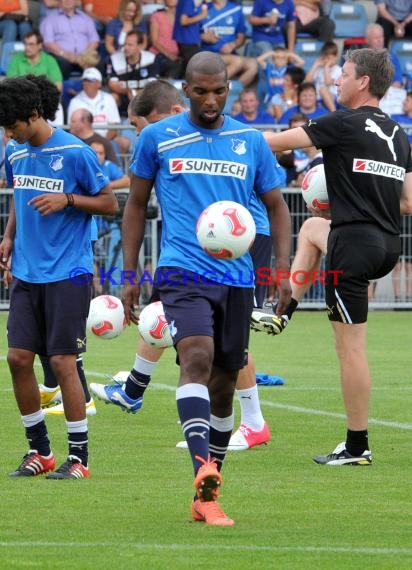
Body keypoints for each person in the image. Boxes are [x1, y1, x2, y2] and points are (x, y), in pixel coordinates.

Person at [116, 53, 292, 524]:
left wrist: (283, 269)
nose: (210, 100)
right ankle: (202, 470)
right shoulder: (156, 137)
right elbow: (135, 205)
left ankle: (206, 496)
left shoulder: (249, 140)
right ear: (186, 91)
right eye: (200, 92)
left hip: (237, 278)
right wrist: (130, 274)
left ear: (228, 90)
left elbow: (277, 207)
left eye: (219, 91)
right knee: (195, 356)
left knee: (222, 386)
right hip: (181, 269)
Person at [255, 48, 412, 465]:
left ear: (363, 82)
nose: (335, 81)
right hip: (386, 246)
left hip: (353, 246)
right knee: (311, 227)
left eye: (342, 75)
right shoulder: (400, 135)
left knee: (351, 350)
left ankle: (357, 446)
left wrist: (227, 140)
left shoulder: (342, 123)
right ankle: (282, 310)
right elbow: (408, 202)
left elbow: (275, 143)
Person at [0, 74, 118, 479]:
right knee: (17, 359)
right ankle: (40, 452)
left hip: (68, 271)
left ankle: (79, 459)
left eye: (12, 124)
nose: (8, 132)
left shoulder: (74, 151)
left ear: (33, 115)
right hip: (28, 272)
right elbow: (19, 195)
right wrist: (10, 237)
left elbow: (109, 203)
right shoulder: (14, 150)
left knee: (64, 362)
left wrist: (67, 199)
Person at [200, 0, 258, 88]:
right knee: (237, 61)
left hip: (230, 55)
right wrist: (203, 37)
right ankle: (212, 89)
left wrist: (233, 45)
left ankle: (233, 93)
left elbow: (241, 37)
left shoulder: (236, 9)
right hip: (208, 55)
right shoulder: (203, 8)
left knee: (253, 65)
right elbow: (190, 35)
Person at [40, 0, 100, 79]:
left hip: (85, 55)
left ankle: (92, 90)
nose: (68, 1)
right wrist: (66, 54)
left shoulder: (86, 19)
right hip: (61, 55)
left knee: (98, 62)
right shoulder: (50, 19)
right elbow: (48, 42)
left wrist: (85, 55)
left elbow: (94, 40)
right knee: (62, 63)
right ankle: (63, 90)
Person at [107, 30, 160, 117]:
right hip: (123, 97)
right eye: (125, 44)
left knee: (158, 95)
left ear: (140, 46)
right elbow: (112, 84)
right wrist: (129, 91)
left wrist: (136, 93)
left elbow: (154, 85)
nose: (126, 48)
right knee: (112, 97)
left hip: (144, 97)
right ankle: (114, 124)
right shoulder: (114, 59)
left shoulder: (151, 59)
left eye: (130, 45)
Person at [66, 67, 122, 141]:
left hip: (107, 140)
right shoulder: (75, 101)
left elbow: (114, 127)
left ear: (99, 84)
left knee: (124, 142)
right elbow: (72, 130)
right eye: (85, 80)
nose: (86, 83)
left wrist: (103, 143)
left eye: (90, 80)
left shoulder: (109, 98)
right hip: (83, 142)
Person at [149, 0, 183, 79]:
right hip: (158, 55)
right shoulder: (157, 16)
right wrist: (169, 55)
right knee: (174, 65)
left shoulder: (183, 18)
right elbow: (154, 41)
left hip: (177, 56)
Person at [305, 40, 341, 112]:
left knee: (322, 89)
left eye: (329, 58)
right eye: (325, 57)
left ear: (335, 58)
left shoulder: (339, 70)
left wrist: (326, 67)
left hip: (332, 97)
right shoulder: (319, 69)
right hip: (317, 97)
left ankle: (334, 112)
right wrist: (315, 65)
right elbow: (307, 81)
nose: (327, 60)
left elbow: (327, 82)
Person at [173, 0, 208, 70]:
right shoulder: (187, 1)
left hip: (190, 39)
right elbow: (183, 21)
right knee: (194, 69)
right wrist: (202, 15)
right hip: (187, 40)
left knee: (187, 67)